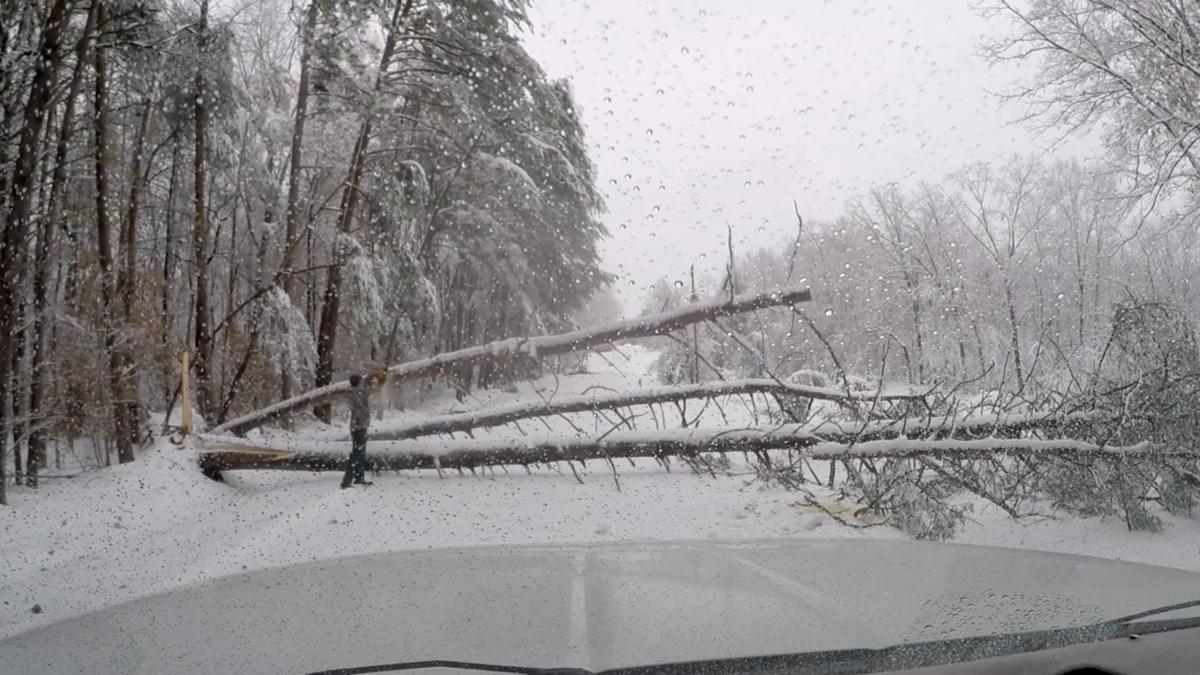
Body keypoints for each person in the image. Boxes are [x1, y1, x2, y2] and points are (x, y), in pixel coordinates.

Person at [341, 372, 376, 489]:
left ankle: (359, 478)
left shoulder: (358, 392)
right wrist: (360, 422)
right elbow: (359, 409)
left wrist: (371, 379)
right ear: (359, 382)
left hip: (361, 426)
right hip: (358, 427)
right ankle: (346, 481)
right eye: (362, 381)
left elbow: (369, 392)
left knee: (360, 454)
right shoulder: (355, 393)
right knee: (356, 454)